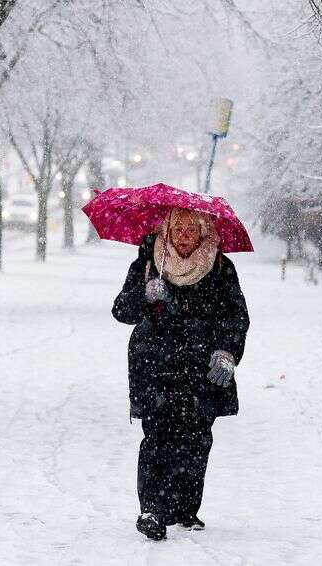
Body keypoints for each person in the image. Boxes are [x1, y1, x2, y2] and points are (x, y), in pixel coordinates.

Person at [111, 207, 250, 541]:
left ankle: (185, 509)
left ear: (203, 233)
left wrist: (228, 352)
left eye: (192, 229)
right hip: (155, 366)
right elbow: (121, 311)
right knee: (157, 438)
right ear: (167, 231)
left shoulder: (220, 267)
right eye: (178, 229)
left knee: (195, 440)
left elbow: (237, 316)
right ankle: (153, 512)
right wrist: (144, 296)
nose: (185, 235)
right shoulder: (148, 264)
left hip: (202, 368)